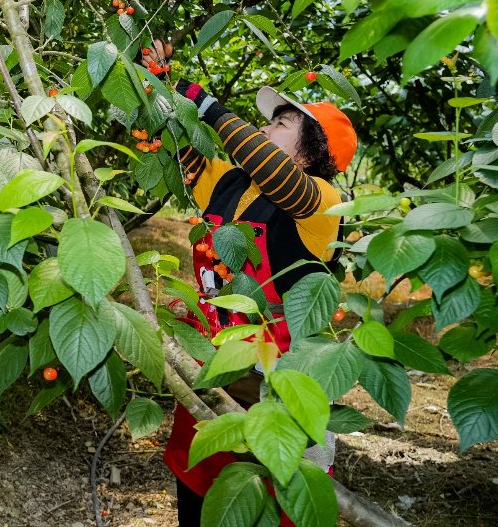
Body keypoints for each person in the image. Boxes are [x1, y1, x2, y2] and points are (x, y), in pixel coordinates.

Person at [151, 45, 358, 526]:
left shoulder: (322, 203)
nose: (263, 129)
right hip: (211, 369)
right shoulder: (228, 182)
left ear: (310, 152)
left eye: (280, 124)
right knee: (199, 489)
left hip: (276, 384)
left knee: (273, 501)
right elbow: (178, 138)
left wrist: (206, 102)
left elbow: (272, 170)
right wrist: (159, 82)